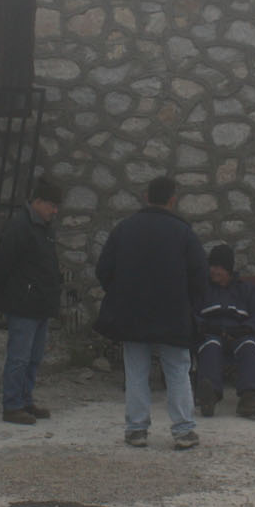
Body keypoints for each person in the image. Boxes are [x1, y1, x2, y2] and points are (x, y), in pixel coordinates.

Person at [93, 175, 207, 450]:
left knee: (135, 371)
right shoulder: (183, 233)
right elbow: (199, 276)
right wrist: (189, 304)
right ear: (173, 199)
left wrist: (121, 294)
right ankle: (183, 430)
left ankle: (136, 429)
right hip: (173, 312)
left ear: (146, 197)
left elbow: (103, 270)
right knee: (178, 370)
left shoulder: (125, 229)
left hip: (133, 311)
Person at [0, 176, 64, 426]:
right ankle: (12, 405)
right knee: (19, 358)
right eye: (52, 205)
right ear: (38, 202)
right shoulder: (20, 227)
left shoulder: (43, 228)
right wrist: (15, 293)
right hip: (24, 303)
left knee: (33, 357)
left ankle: (25, 400)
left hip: (39, 303)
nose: (55, 211)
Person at [194, 243, 255, 419]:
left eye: (218, 267)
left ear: (228, 269)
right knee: (210, 346)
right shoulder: (202, 289)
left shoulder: (246, 289)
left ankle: (249, 398)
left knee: (249, 345)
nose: (213, 271)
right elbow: (191, 313)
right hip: (212, 332)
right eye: (211, 266)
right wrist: (203, 326)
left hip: (239, 333)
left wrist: (246, 328)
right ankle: (209, 396)